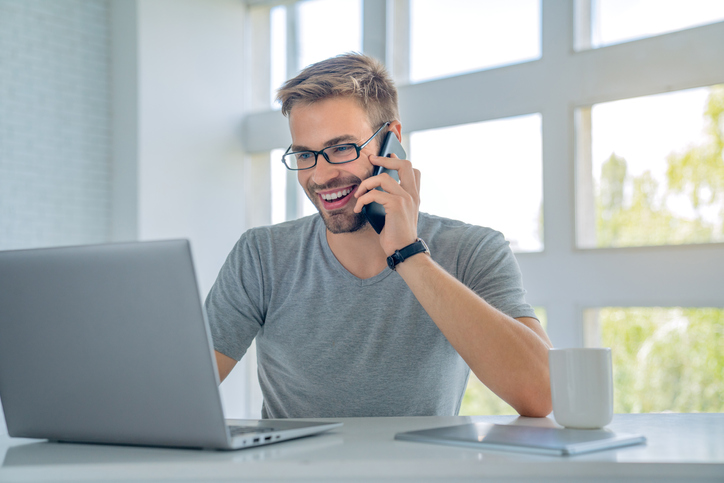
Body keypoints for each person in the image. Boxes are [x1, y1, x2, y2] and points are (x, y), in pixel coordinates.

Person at [206, 53, 553, 419]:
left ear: (392, 140)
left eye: (341, 148)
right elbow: (181, 391)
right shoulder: (262, 256)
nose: (320, 176)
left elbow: (542, 392)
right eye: (305, 155)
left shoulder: (471, 250)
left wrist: (409, 255)